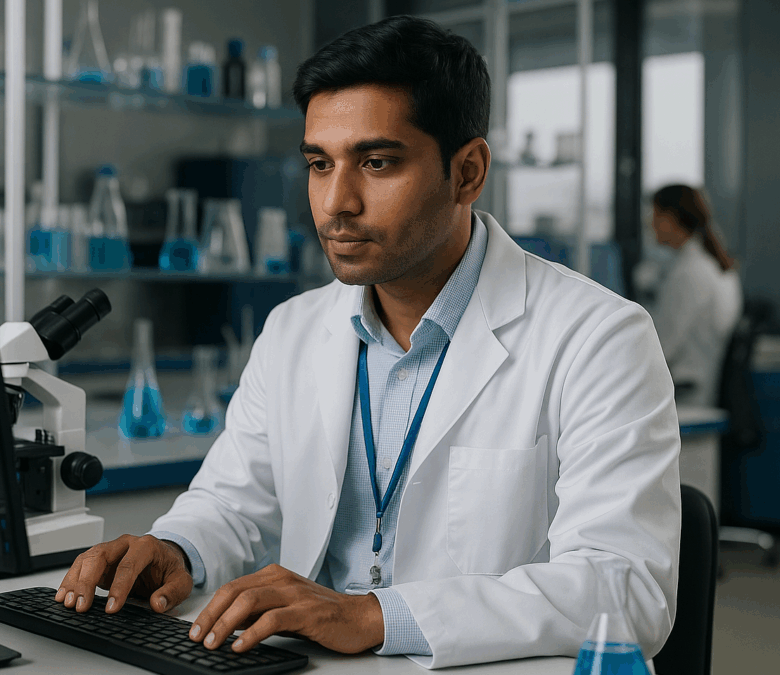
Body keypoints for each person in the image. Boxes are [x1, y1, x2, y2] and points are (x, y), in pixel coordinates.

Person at [56, 16, 681, 669]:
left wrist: (374, 615)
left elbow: (626, 589)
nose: (335, 202)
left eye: (377, 162)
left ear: (467, 172)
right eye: (319, 164)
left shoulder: (599, 337)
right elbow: (233, 502)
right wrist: (178, 549)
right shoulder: (295, 328)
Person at [649, 184, 743, 407]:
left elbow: (662, 348)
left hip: (687, 393)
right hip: (702, 387)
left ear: (671, 218)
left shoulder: (689, 274)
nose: (650, 224)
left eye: (654, 215)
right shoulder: (713, 265)